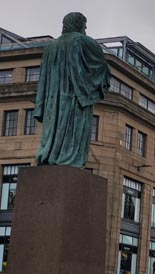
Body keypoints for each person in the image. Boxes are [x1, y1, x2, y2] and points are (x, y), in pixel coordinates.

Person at [34, 12, 111, 168]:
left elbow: (43, 79)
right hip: (75, 99)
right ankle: (68, 160)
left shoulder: (50, 47)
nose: (86, 28)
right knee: (74, 136)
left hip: (52, 102)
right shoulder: (84, 41)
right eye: (84, 24)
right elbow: (101, 66)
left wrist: (41, 103)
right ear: (79, 24)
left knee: (52, 133)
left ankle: (49, 156)